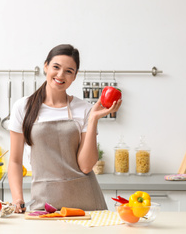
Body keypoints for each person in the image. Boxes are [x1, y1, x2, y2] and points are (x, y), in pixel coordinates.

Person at [7, 44, 122, 212]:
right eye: (56, 67)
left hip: (87, 205)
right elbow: (15, 161)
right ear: (46, 66)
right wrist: (18, 198)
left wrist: (93, 119)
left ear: (74, 76)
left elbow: (85, 166)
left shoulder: (84, 109)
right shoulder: (23, 107)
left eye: (69, 71)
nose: (61, 75)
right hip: (45, 203)